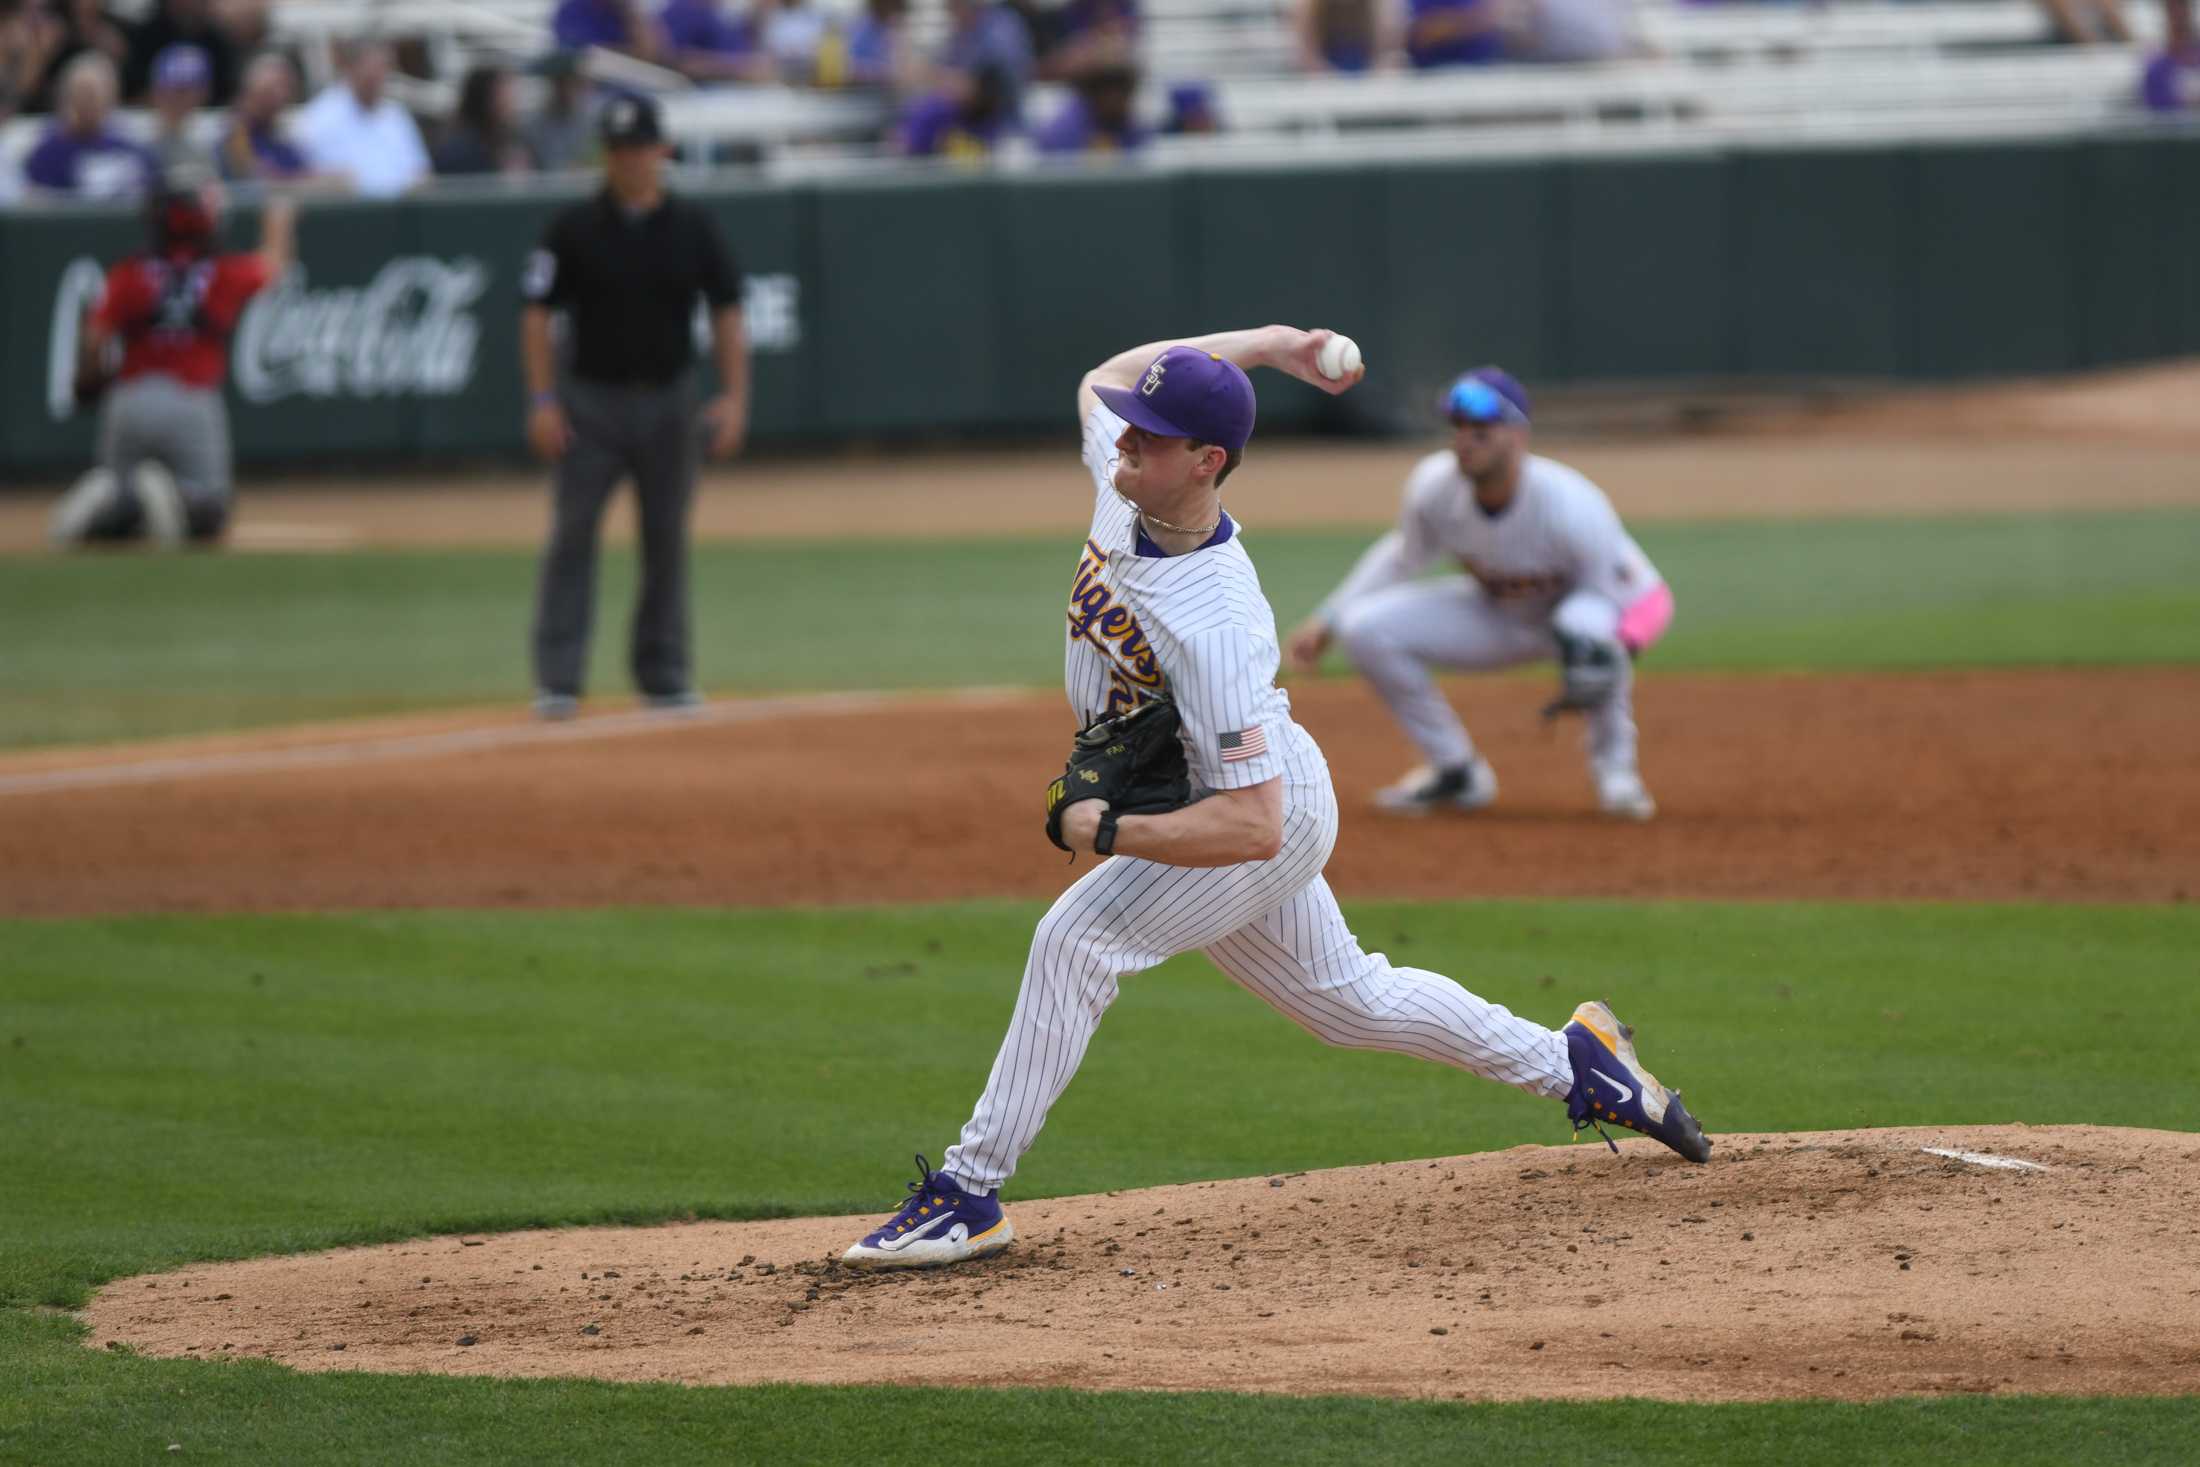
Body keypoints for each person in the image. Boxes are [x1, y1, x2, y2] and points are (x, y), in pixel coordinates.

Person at [838, 326, 1710, 1271]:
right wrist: (1268, 346)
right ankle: (1578, 1062)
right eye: (1129, 431)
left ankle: (969, 1191)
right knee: (1351, 1002)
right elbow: (1104, 377)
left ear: (1206, 462)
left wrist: (1115, 828)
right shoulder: (1124, 480)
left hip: (1261, 813)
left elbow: (1252, 823)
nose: (1123, 439)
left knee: (1076, 939)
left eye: (1150, 435)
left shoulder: (1218, 624)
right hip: (1240, 796)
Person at [1284, 368, 1671, 821]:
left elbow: (1649, 597)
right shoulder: (1435, 487)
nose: (1466, 440)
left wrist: (1621, 647)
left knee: (1588, 630)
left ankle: (1617, 774)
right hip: (1494, 616)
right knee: (1366, 629)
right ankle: (1456, 770)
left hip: (1567, 620)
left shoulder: (1572, 505)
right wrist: (1329, 618)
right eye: (1459, 428)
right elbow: (1401, 558)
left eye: (1482, 430)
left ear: (1518, 435)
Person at [519, 93, 749, 719]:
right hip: (590, 402)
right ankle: (558, 678)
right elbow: (536, 314)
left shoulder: (692, 225)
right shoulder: (573, 226)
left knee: (665, 540)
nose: (628, 161)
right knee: (572, 536)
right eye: (618, 150)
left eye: (638, 148)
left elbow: (728, 310)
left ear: (661, 151)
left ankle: (665, 673)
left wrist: (733, 397)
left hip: (670, 400)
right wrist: (542, 398)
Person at [48, 180, 294, 548]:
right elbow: (275, 268)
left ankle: (107, 493)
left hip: (129, 399)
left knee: (122, 513)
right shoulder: (222, 272)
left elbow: (95, 337)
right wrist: (279, 222)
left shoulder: (129, 272)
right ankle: (171, 498)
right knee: (210, 513)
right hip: (191, 402)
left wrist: (89, 380)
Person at [293, 38, 429, 198]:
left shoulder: (396, 115)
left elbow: (421, 172)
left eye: (381, 68)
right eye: (368, 67)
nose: (375, 75)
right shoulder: (319, 117)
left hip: (398, 212)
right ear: (351, 68)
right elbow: (310, 177)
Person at [21, 49, 158, 196]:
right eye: (80, 94)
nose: (86, 103)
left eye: (93, 95)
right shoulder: (47, 154)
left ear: (111, 98)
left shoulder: (130, 149)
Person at [121, 0, 238, 104]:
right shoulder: (147, 36)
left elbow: (226, 96)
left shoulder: (218, 41)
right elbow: (132, 91)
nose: (187, 4)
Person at [216, 49, 307, 181]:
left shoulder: (277, 134)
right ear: (250, 89)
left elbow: (299, 169)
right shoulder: (234, 131)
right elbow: (254, 176)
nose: (281, 96)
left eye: (287, 88)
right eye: (271, 90)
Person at [432, 63, 532, 175]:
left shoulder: (520, 142)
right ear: (483, 99)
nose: (513, 103)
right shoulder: (458, 151)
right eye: (504, 95)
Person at [1032, 61, 1145, 154]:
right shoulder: (1061, 131)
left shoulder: (1133, 127)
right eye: (1107, 89)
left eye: (1122, 90)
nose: (1115, 98)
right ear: (1091, 92)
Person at [146, 43, 215, 172]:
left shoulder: (216, 136)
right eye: (168, 87)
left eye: (185, 90)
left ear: (203, 92)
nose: (174, 97)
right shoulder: (134, 134)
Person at [523, 50, 594, 170]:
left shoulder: (592, 122)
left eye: (573, 82)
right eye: (561, 83)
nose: (566, 90)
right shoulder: (534, 125)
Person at [1405, 0, 1503, 68]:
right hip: (1430, 71)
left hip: (1481, 69)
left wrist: (1444, 25)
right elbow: (1420, 35)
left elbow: (1488, 19)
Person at [553, 0, 661, 61]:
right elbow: (585, 55)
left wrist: (630, 12)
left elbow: (649, 52)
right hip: (591, 88)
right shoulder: (573, 9)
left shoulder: (630, 11)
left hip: (634, 86)